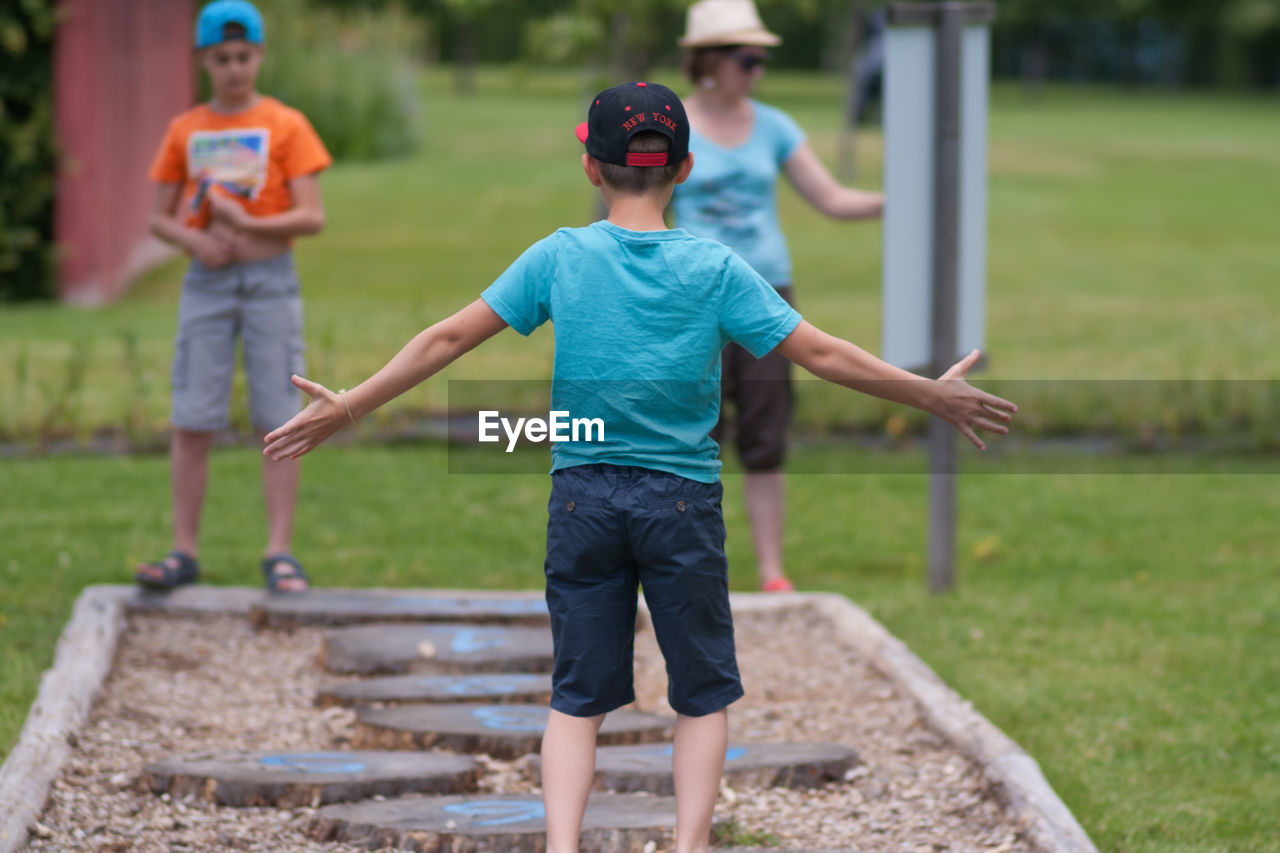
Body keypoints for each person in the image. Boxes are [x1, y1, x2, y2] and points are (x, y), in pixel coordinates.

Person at [262, 82, 1014, 853]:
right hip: (681, 503)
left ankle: (561, 845)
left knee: (575, 699)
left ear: (591, 166)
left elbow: (447, 339)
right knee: (700, 695)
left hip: (583, 500)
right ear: (684, 168)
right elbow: (820, 352)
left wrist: (350, 404)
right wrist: (928, 394)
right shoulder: (716, 269)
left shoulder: (559, 256)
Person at [672, 0, 886, 593]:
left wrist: (900, 201)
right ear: (708, 61)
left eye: (762, 59)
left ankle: (771, 572)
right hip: (692, 300)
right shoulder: (673, 125)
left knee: (766, 434)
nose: (757, 70)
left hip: (765, 295)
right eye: (747, 58)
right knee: (691, 437)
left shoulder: (775, 125)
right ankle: (689, 565)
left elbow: (833, 199)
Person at [136, 0, 331, 594]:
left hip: (271, 281)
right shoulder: (185, 130)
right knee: (193, 413)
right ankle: (183, 550)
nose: (235, 68)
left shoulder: (287, 125)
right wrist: (197, 240)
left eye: (244, 56)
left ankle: (279, 552)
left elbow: (311, 217)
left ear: (260, 55)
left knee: (279, 413)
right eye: (222, 58)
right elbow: (159, 220)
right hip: (208, 286)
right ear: (203, 61)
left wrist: (242, 222)